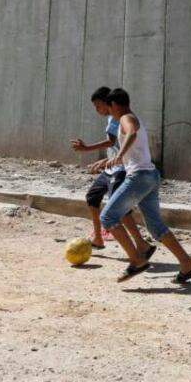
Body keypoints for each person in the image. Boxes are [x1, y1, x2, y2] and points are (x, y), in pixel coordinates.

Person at [95, 88, 191, 283]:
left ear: (114, 105)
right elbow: (133, 148)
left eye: (109, 108)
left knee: (108, 217)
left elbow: (132, 132)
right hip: (150, 176)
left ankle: (137, 260)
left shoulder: (126, 118)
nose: (109, 113)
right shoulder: (131, 117)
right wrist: (112, 160)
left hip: (140, 178)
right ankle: (187, 263)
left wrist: (118, 155)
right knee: (155, 226)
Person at [71, 86, 152, 256]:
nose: (97, 109)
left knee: (118, 210)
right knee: (93, 197)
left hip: (122, 169)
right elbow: (111, 142)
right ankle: (98, 238)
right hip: (111, 167)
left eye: (98, 105)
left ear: (110, 104)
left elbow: (126, 136)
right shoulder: (112, 119)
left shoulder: (123, 118)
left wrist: (90, 150)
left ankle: (140, 245)